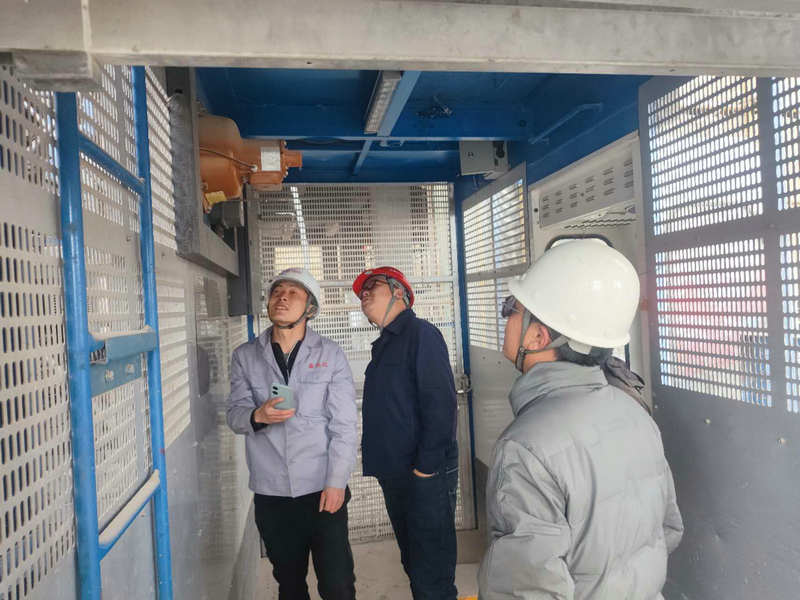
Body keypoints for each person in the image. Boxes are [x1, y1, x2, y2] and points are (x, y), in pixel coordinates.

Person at [478, 240, 683, 600]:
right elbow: (668, 530)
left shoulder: (526, 449)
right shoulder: (634, 413)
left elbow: (525, 591)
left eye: (512, 307)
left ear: (538, 336)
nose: (505, 316)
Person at [226, 267, 358, 600]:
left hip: (322, 489)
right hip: (272, 494)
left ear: (310, 308)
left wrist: (337, 482)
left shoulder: (330, 354)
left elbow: (344, 425)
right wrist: (258, 415)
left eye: (293, 293)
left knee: (338, 585)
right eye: (277, 292)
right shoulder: (245, 356)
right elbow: (235, 416)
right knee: (290, 585)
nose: (282, 298)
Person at [353, 266, 459, 600]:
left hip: (423, 474)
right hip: (397, 474)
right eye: (362, 291)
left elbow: (441, 406)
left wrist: (425, 471)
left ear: (399, 292)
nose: (364, 293)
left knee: (431, 571)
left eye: (373, 286)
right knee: (415, 562)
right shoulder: (386, 343)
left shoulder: (421, 334)